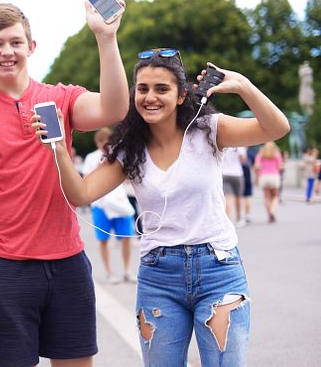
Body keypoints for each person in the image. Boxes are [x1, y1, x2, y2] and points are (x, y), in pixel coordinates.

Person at [33, 49, 289, 366]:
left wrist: (244, 86)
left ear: (182, 95)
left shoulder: (209, 129)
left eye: (161, 89)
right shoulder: (130, 150)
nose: (150, 97)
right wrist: (58, 149)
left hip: (218, 270)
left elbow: (277, 129)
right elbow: (82, 193)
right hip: (158, 276)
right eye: (142, 89)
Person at [0, 0, 129, 367]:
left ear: (31, 46)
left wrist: (106, 38)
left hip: (67, 261)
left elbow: (114, 108)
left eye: (15, 42)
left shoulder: (59, 99)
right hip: (2, 265)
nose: (7, 51)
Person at [81, 127, 136, 284]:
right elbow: (86, 178)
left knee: (126, 236)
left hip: (119, 202)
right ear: (98, 143)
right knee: (103, 239)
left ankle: (126, 270)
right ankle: (108, 271)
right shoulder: (92, 157)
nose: (105, 145)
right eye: (102, 142)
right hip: (100, 204)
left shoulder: (118, 154)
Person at [255, 141, 284, 223]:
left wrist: (258, 174)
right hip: (274, 176)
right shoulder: (276, 153)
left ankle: (269, 216)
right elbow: (280, 166)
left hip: (264, 176)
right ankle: (272, 211)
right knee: (275, 196)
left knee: (267, 197)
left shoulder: (261, 153)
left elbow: (257, 166)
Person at [222, 146, 247, 226]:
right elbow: (243, 159)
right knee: (238, 197)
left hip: (224, 172)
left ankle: (228, 220)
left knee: (228, 198)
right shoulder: (239, 145)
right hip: (237, 173)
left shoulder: (223, 143)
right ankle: (239, 218)